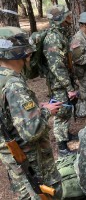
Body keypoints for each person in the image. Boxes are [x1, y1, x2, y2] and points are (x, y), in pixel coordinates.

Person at [0, 26, 63, 199]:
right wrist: (45, 111)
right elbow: (32, 131)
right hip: (31, 160)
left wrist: (34, 109)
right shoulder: (14, 85)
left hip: (10, 155)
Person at [43, 5, 78, 155]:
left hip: (63, 81)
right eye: (67, 17)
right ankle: (62, 147)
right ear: (59, 19)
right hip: (59, 84)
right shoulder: (53, 38)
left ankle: (66, 135)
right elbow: (57, 67)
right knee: (60, 113)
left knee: (66, 110)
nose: (69, 20)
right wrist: (69, 88)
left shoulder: (61, 34)